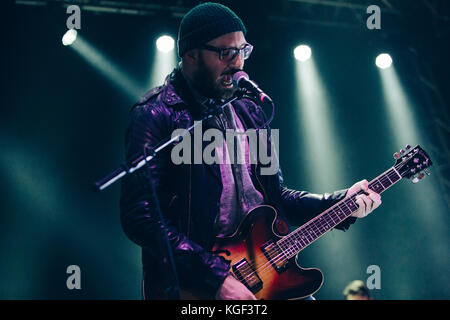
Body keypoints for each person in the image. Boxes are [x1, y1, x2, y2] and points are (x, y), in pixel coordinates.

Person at [119, 2, 382, 300]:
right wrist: (217, 279)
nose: (238, 63)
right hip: (197, 286)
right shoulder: (156, 114)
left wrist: (338, 202)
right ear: (191, 54)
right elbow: (140, 217)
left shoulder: (249, 111)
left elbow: (276, 196)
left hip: (264, 277)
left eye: (243, 51)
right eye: (226, 52)